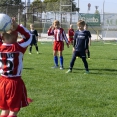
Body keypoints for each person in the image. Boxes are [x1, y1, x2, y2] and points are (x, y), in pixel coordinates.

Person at [0, 17, 32, 117]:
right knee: (13, 111)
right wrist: (18, 27)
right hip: (14, 82)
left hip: (2, 82)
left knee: (4, 110)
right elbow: (29, 37)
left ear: (2, 37)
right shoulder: (18, 47)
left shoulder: (0, 47)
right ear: (16, 38)